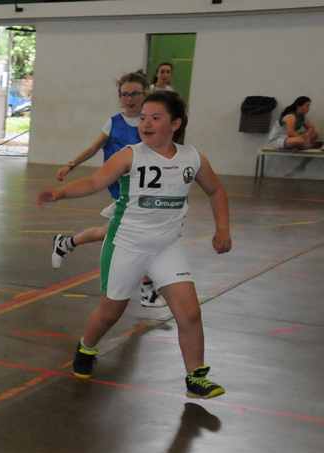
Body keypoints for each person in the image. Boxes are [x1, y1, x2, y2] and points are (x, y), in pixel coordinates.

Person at [37, 91, 231, 399]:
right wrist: (60, 193)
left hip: (166, 247)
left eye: (155, 117)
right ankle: (86, 347)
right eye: (143, 118)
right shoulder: (130, 155)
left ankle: (196, 376)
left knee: (190, 313)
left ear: (176, 124)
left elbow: (216, 190)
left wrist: (222, 229)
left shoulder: (193, 158)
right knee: (110, 312)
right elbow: (95, 182)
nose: (146, 124)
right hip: (126, 245)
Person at [49, 71, 165, 308]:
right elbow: (93, 148)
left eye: (135, 94)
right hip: (122, 189)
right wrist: (71, 165)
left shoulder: (151, 124)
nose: (129, 99)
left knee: (114, 232)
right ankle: (147, 289)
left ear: (145, 94)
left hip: (143, 189)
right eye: (124, 94)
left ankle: (66, 243)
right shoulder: (114, 123)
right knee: (140, 237)